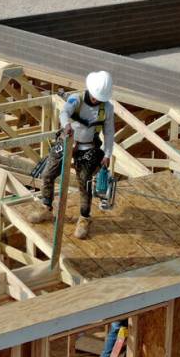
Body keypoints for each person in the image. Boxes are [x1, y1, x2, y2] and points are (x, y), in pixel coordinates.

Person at [29, 71, 114, 239]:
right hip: (68, 140)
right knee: (48, 174)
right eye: (96, 96)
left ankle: (84, 217)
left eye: (100, 98)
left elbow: (109, 132)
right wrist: (67, 124)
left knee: (85, 182)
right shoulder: (77, 99)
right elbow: (64, 112)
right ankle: (46, 207)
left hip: (88, 146)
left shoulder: (107, 108)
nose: (97, 100)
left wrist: (108, 154)